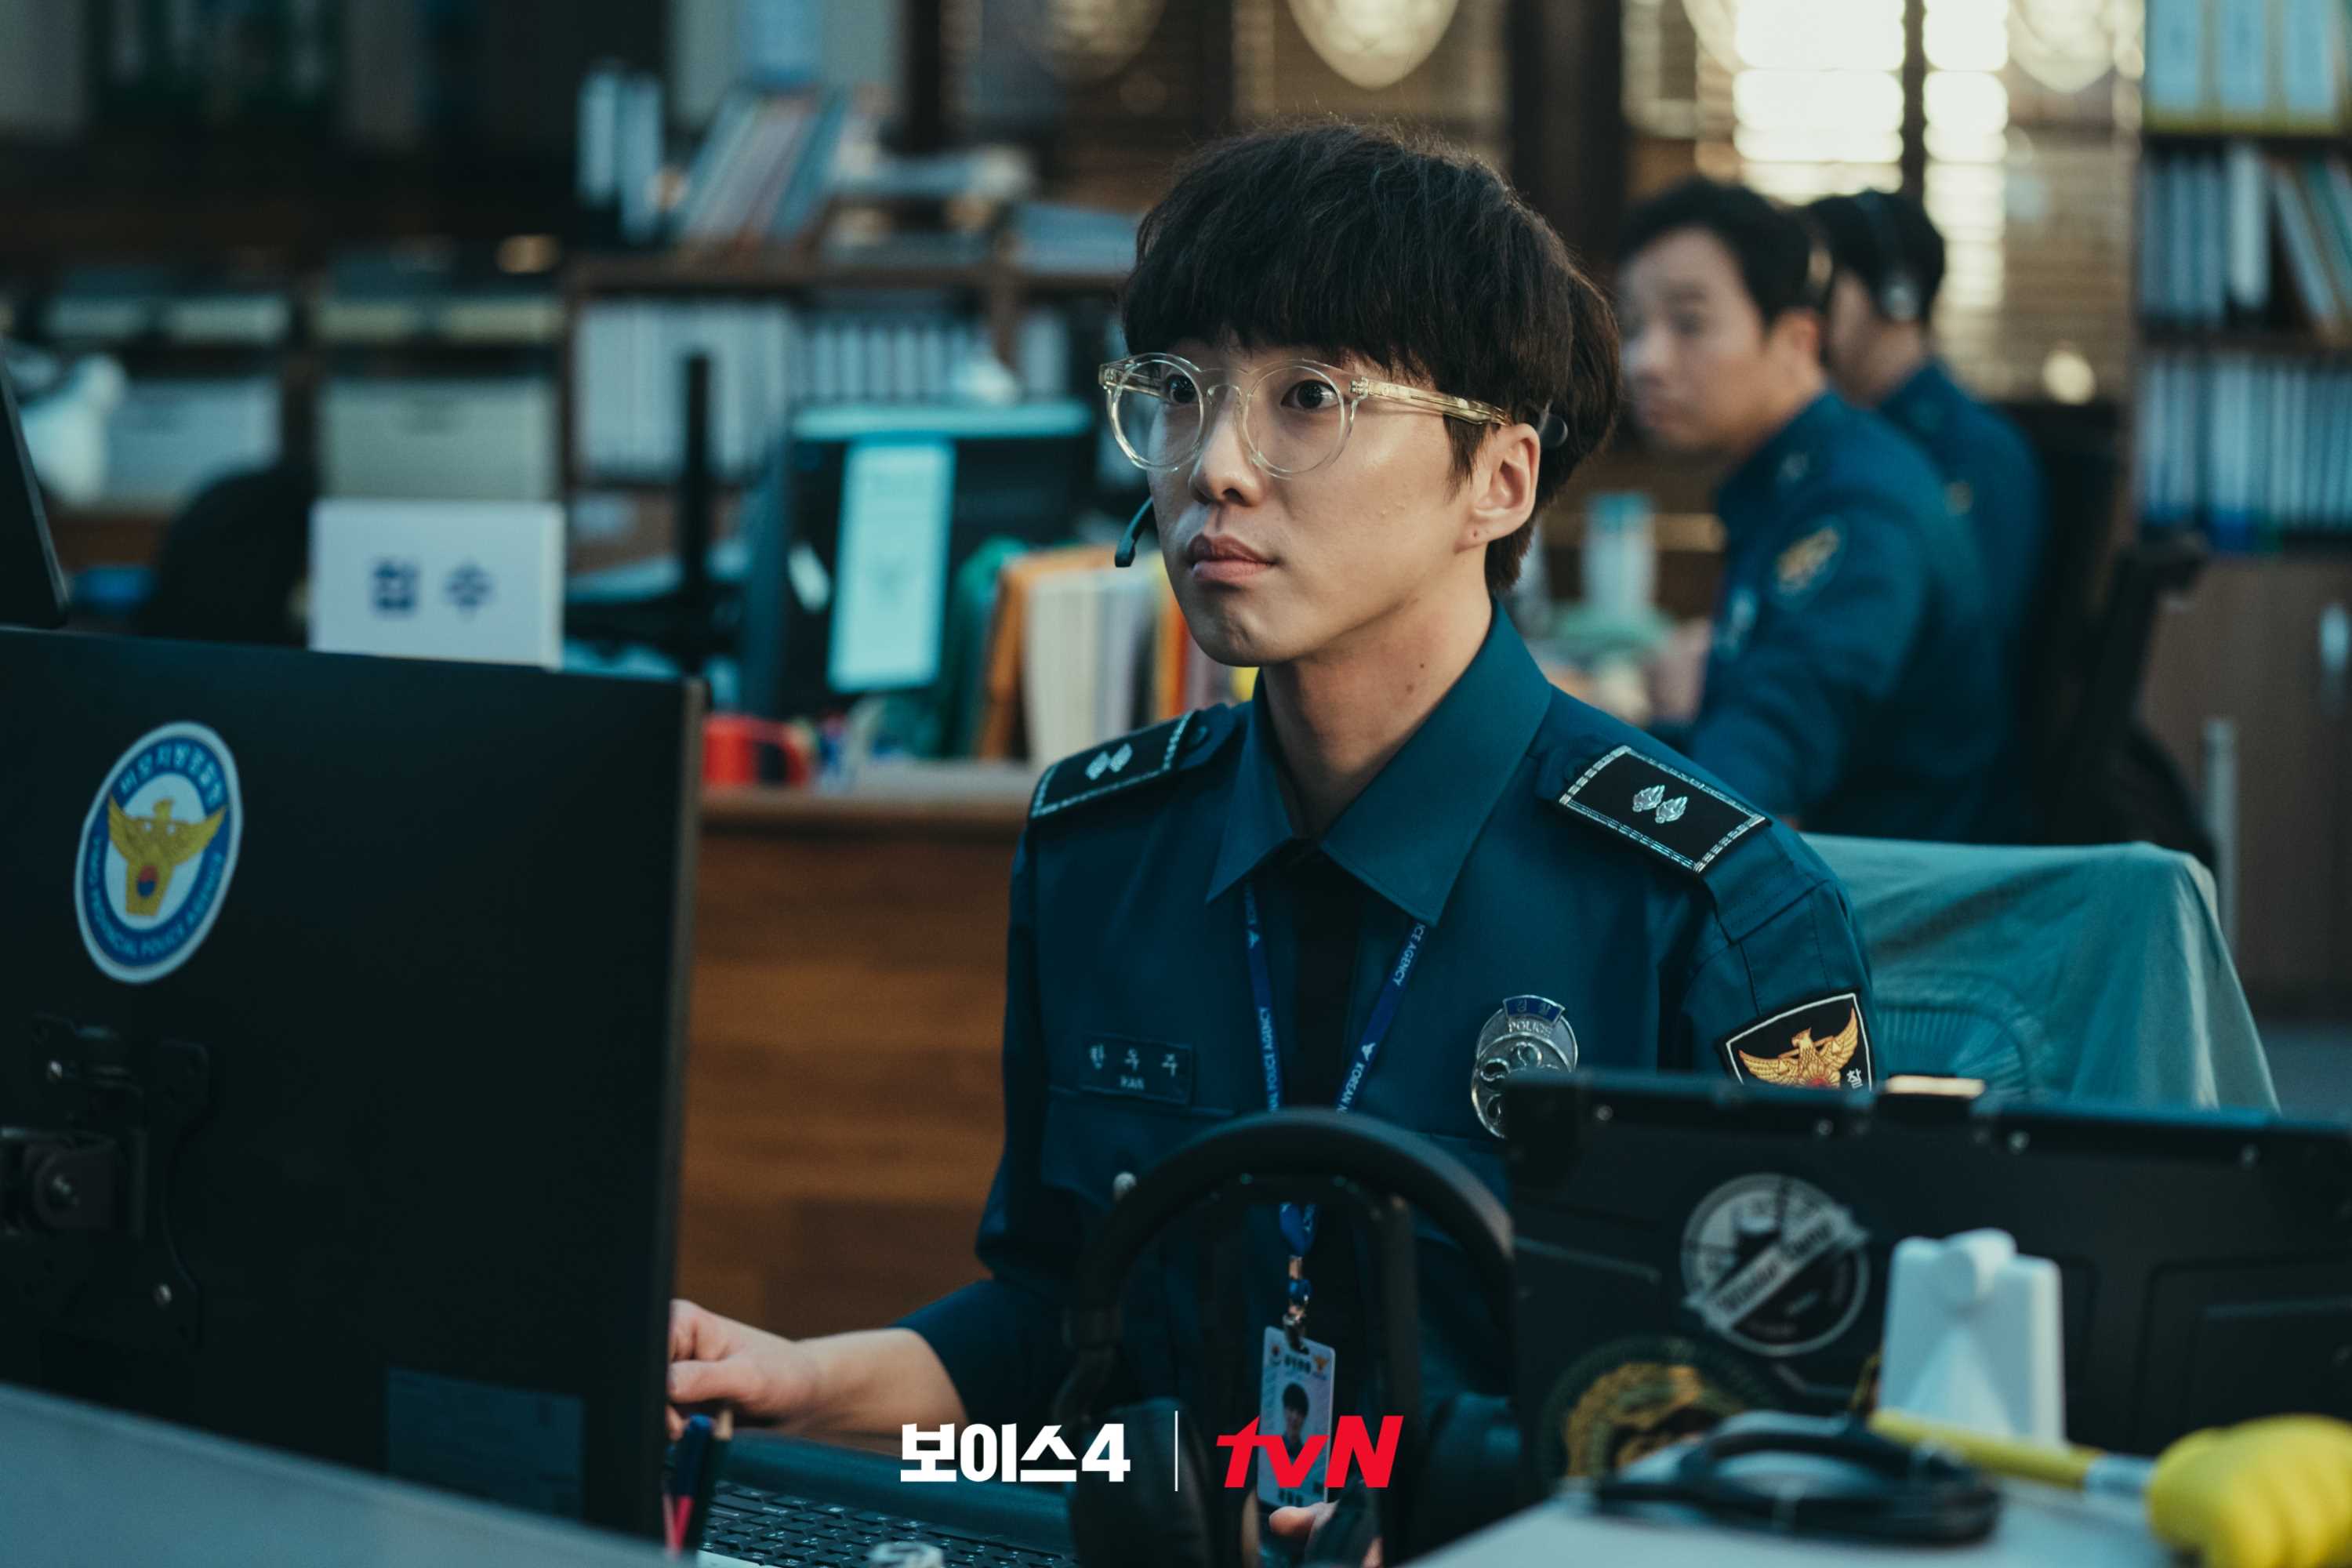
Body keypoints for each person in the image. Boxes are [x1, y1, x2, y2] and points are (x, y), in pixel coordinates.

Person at [667, 125, 1878, 1559]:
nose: (1216, 468)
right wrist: (813, 1387)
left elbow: (1785, 1450)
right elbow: (1058, 1361)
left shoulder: (1707, 912)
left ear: (1498, 480)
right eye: (1179, 395)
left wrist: (1429, 1514)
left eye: (1309, 398)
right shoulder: (1101, 851)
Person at [1617, 177, 2006, 841]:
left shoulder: (1856, 509)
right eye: (1632, 325)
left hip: (1882, 882)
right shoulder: (1801, 477)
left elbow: (1739, 807)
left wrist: (1684, 713)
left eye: (1689, 323)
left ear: (1797, 340)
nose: (1644, 361)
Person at [1806, 190, 2049, 840]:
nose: (1802, 310)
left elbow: (1947, 658)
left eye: (1824, 286)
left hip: (1922, 808)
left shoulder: (1973, 456)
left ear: (1897, 298)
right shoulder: (1840, 444)